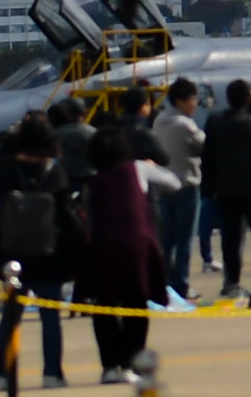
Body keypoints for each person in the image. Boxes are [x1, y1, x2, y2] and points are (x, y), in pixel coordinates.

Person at [0, 115, 77, 389]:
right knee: (49, 316)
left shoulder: (6, 168)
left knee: (11, 315)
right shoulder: (55, 173)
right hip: (48, 252)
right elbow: (65, 216)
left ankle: (5, 374)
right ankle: (52, 372)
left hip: (13, 252)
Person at [80, 129, 168, 383]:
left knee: (104, 305)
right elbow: (174, 181)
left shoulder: (94, 181)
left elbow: (89, 217)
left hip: (104, 245)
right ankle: (132, 362)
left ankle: (110, 365)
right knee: (136, 303)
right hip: (138, 244)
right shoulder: (138, 169)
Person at [199, 79, 251, 303]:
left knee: (230, 239)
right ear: (248, 98)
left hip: (226, 189)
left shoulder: (215, 122)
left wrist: (209, 188)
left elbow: (208, 157)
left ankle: (231, 282)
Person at [152, 79, 204, 303]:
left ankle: (163, 282)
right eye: (193, 99)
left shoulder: (159, 121)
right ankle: (181, 284)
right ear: (182, 101)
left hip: (164, 186)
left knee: (167, 239)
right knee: (184, 240)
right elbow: (201, 145)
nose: (195, 104)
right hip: (186, 185)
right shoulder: (186, 124)